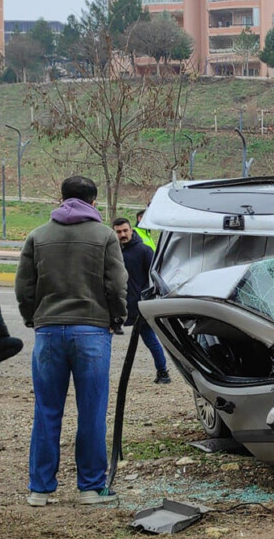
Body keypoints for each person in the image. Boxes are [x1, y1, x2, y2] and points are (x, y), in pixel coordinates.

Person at [16, 176, 128, 507]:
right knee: (91, 411)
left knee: (47, 409)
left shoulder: (38, 235)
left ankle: (40, 489)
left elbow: (24, 288)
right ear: (93, 202)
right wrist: (116, 319)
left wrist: (33, 318)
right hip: (92, 333)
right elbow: (117, 286)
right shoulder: (105, 236)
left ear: (61, 199)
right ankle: (91, 489)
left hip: (48, 332)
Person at [113, 218, 171, 385]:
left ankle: (163, 372)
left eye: (125, 230)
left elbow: (155, 276)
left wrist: (144, 297)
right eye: (118, 232)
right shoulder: (113, 252)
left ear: (131, 230)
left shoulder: (144, 251)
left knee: (150, 340)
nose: (122, 234)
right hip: (118, 305)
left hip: (139, 304)